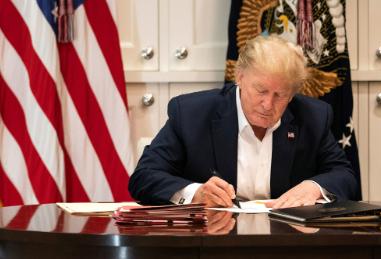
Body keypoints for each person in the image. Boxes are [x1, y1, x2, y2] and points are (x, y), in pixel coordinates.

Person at [129, 35, 359, 208]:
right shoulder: (191, 114)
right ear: (239, 76)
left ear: (293, 94)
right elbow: (144, 177)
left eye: (280, 95)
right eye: (261, 90)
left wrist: (315, 188)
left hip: (286, 242)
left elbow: (345, 176)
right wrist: (195, 193)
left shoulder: (313, 117)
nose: (268, 104)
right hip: (213, 242)